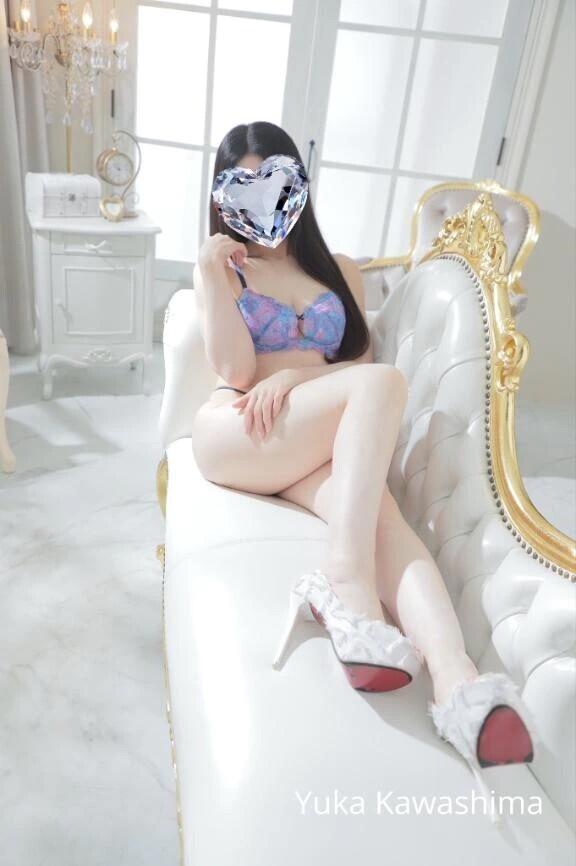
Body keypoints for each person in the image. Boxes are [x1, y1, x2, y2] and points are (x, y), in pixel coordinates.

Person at [190, 121, 538, 816]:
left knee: (383, 517)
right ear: (225, 198)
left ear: (296, 189)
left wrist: (294, 378)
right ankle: (346, 588)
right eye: (244, 189)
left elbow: (353, 364)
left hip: (306, 435)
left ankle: (459, 686)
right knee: (384, 388)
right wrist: (207, 271)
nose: (261, 204)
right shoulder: (225, 270)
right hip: (239, 431)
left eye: (274, 185)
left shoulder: (337, 271)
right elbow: (235, 370)